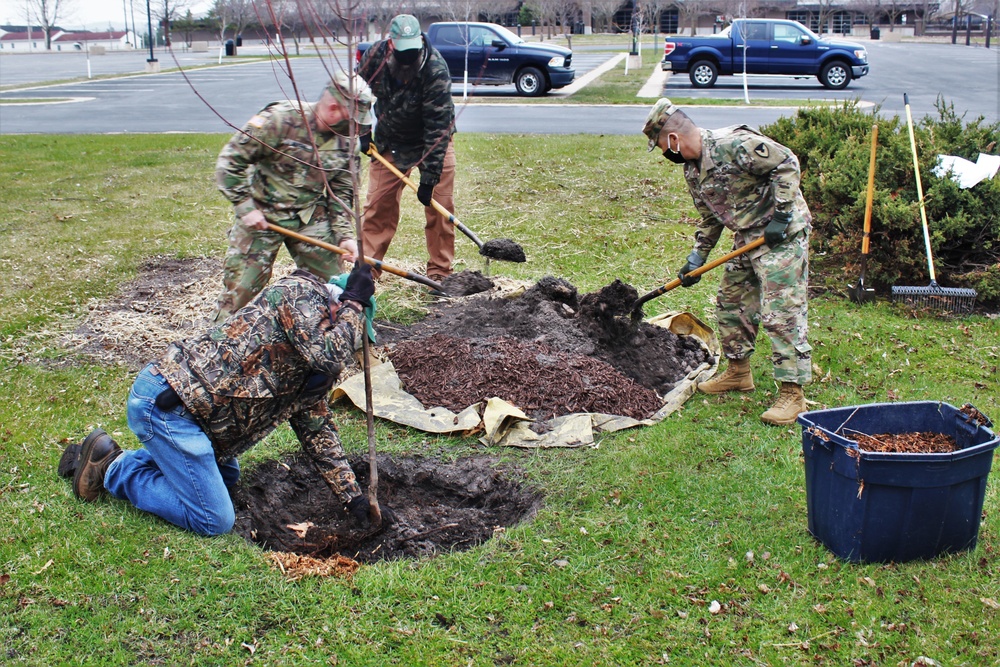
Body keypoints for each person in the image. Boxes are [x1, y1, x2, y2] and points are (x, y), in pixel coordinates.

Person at [67, 263, 393, 535]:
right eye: (350, 333)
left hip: (198, 421)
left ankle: (100, 455)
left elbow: (318, 432)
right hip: (169, 406)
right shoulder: (299, 295)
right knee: (214, 519)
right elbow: (329, 352)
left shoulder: (314, 364)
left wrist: (354, 500)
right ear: (337, 307)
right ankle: (114, 468)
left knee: (226, 477)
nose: (350, 346)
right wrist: (356, 305)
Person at [641, 98, 812, 426]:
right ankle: (738, 373)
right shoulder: (692, 170)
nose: (663, 153)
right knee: (731, 303)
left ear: (673, 140)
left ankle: (793, 394)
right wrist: (696, 258)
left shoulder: (736, 145)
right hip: (747, 238)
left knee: (781, 312)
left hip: (781, 234)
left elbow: (786, 162)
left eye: (661, 145)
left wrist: (783, 214)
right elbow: (710, 217)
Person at [212, 70, 373, 323]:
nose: (354, 128)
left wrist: (344, 237)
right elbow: (229, 162)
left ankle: (327, 342)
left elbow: (342, 193)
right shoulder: (280, 120)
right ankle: (219, 347)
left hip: (307, 216)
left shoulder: (347, 142)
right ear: (333, 108)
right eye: (350, 119)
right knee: (240, 291)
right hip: (262, 214)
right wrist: (245, 207)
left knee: (335, 286)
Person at [357, 14, 457, 287]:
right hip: (391, 140)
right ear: (391, 44)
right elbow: (357, 92)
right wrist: (363, 130)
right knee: (378, 206)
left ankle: (440, 273)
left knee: (440, 208)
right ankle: (367, 272)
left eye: (413, 52)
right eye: (403, 53)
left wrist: (429, 178)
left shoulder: (434, 68)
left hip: (432, 142)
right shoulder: (376, 56)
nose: (408, 58)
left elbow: (438, 129)